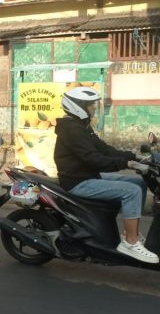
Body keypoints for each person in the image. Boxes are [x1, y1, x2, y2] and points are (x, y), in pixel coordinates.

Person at [54, 87, 158, 264]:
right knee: (131, 191)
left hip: (88, 175)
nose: (94, 109)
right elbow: (94, 159)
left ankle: (129, 233)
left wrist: (134, 156)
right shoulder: (72, 129)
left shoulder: (81, 126)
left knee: (138, 183)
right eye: (91, 106)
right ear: (78, 106)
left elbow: (104, 149)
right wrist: (126, 164)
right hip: (78, 182)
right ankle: (130, 243)